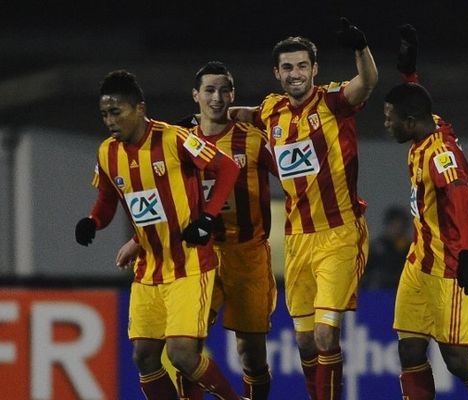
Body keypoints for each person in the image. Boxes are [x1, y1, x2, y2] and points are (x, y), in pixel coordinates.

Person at [74, 70, 248, 400]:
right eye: (105, 114)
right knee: (144, 356)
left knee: (181, 353)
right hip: (149, 270)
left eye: (116, 112)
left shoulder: (174, 139)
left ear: (139, 108)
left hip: (190, 264)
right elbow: (108, 200)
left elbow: (227, 167)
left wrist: (208, 218)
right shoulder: (107, 153)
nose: (110, 121)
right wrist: (93, 221)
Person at [232, 17, 378, 400]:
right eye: (287, 67)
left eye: (301, 66)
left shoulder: (333, 101)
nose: (294, 74)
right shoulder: (271, 109)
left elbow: (368, 83)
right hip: (297, 239)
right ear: (277, 72)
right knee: (306, 343)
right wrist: (210, 120)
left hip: (340, 233)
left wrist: (361, 49)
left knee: (327, 334)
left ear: (314, 69)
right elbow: (247, 115)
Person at [116, 61, 278, 400]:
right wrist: (137, 240)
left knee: (251, 352)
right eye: (209, 90)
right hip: (197, 255)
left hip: (247, 253)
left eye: (224, 90)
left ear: (233, 95)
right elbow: (164, 198)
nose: (217, 98)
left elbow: (295, 180)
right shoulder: (181, 141)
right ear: (196, 96)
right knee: (188, 346)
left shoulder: (253, 140)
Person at [384, 27, 468, 399]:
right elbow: (419, 104)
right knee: (409, 349)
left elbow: (461, 201)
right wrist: (410, 76)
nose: (386, 124)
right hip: (418, 261)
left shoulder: (441, 157)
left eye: (390, 118)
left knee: (456, 358)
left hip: (449, 266)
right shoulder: (427, 126)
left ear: (408, 123)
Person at [362, 206, 411, 290]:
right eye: (394, 226)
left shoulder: (409, 249)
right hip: (379, 293)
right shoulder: (376, 248)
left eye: (400, 227)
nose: (397, 230)